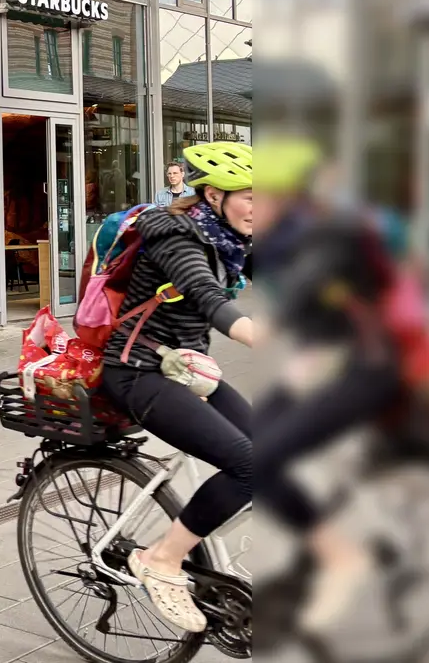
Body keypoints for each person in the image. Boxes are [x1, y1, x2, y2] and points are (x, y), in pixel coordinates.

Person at [98, 142, 258, 634]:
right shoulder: (177, 237)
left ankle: (204, 539)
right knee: (247, 462)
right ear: (213, 196)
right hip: (138, 370)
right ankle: (160, 558)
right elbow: (208, 297)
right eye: (250, 196)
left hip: (185, 369)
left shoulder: (232, 239)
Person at [255, 137, 403, 631]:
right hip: (327, 361)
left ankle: (342, 558)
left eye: (266, 195)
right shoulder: (290, 236)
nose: (259, 206)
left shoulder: (330, 233)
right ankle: (326, 532)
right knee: (251, 441)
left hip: (369, 366)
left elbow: (300, 295)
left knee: (262, 460)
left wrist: (262, 329)